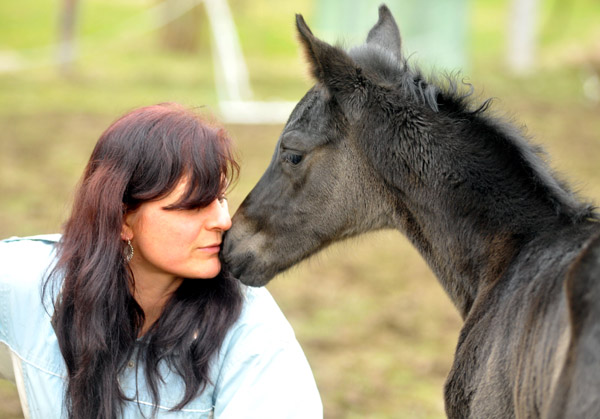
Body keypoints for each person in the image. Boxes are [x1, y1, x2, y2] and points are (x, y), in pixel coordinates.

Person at [0, 103, 322, 418]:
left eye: (220, 198)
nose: (223, 221)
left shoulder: (251, 331)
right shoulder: (37, 284)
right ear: (123, 219)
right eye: (193, 206)